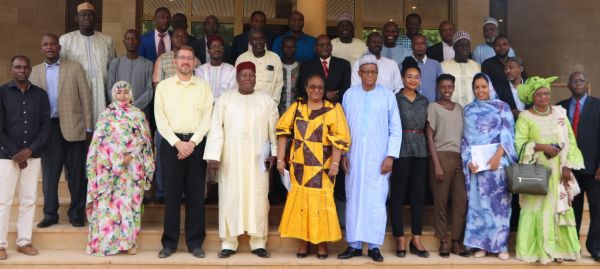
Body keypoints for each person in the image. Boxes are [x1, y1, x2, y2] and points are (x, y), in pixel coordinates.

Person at [203, 61, 277, 259]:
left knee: (259, 198)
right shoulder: (225, 100)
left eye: (251, 75)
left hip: (257, 161)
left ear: (255, 77)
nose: (247, 79)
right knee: (230, 196)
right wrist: (213, 156)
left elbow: (274, 132)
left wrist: (275, 153)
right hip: (231, 159)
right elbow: (216, 128)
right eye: (243, 75)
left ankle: (258, 242)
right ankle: (229, 242)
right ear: (237, 79)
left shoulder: (266, 100)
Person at [277, 73, 350, 259]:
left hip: (323, 167)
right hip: (300, 166)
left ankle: (321, 244)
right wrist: (280, 159)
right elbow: (283, 132)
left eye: (320, 87)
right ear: (306, 88)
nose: (316, 90)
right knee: (302, 204)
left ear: (323, 90)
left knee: (322, 205)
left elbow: (339, 139)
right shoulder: (296, 107)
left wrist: (335, 163)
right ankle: (303, 243)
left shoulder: (333, 109)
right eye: (312, 87)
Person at [338, 54, 402, 262]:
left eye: (373, 72)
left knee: (376, 199)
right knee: (354, 199)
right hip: (354, 158)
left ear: (378, 74)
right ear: (359, 74)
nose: (370, 75)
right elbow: (343, 129)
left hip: (379, 159)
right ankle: (354, 245)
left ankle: (374, 245)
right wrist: (344, 155)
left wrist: (390, 156)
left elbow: (396, 128)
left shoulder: (387, 96)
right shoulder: (349, 94)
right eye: (366, 72)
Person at [515, 76, 584, 263]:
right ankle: (537, 250)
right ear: (532, 97)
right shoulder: (525, 117)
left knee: (557, 208)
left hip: (558, 171)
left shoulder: (560, 113)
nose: (544, 97)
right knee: (536, 210)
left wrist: (568, 166)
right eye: (539, 94)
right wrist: (541, 146)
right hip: (536, 172)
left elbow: (570, 140)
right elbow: (519, 144)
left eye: (546, 93)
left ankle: (558, 250)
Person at [154, 45, 213, 259]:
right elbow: (160, 120)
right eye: (182, 58)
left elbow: (207, 118)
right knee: (171, 195)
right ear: (175, 62)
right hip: (171, 146)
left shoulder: (204, 87)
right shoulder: (163, 87)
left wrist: (193, 142)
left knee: (196, 196)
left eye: (189, 58)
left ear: (195, 61)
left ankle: (195, 242)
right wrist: (178, 143)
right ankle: (169, 243)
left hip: (196, 147)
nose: (186, 62)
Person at [29, 33, 93, 229]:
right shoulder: (35, 72)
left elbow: (86, 98)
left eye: (53, 44)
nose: (49, 47)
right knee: (50, 175)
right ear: (41, 48)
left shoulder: (74, 68)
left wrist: (89, 129)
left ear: (59, 47)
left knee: (76, 175)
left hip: (74, 128)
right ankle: (50, 214)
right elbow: (32, 105)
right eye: (45, 44)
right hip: (49, 131)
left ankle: (76, 214)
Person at [85, 81, 154, 256]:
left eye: (125, 92)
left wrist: (129, 157)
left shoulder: (138, 115)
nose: (122, 95)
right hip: (108, 170)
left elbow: (144, 140)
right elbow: (98, 143)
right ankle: (105, 242)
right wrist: (115, 160)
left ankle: (129, 243)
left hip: (131, 169)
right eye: (119, 92)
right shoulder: (105, 115)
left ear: (130, 94)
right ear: (113, 94)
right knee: (109, 207)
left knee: (128, 205)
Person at [461, 73, 517, 260]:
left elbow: (509, 133)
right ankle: (482, 245)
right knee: (479, 207)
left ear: (490, 87)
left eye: (484, 86)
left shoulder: (502, 107)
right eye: (477, 87)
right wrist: (469, 161)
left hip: (497, 165)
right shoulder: (468, 110)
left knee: (499, 207)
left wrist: (498, 156)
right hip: (478, 167)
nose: (480, 90)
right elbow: (465, 140)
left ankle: (501, 246)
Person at [0, 55, 50, 260]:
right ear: (11, 70)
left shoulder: (40, 95)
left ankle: (24, 241)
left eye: (25, 67)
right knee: (3, 201)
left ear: (30, 70)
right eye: (17, 67)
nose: (21, 70)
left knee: (29, 200)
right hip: (5, 157)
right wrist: (15, 154)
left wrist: (29, 151)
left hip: (33, 156)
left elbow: (46, 127)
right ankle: (1, 245)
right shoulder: (2, 93)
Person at [152, 27, 200, 203]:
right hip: (167, 118)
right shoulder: (162, 60)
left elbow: (198, 86)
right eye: (177, 35)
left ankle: (185, 193)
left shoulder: (197, 61)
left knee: (189, 162)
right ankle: (162, 192)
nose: (180, 37)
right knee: (164, 159)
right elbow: (157, 86)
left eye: (183, 36)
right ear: (171, 39)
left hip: (189, 119)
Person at [425, 74, 470, 258]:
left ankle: (456, 241)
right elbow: (429, 136)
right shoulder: (433, 107)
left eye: (450, 86)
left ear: (454, 88)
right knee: (441, 201)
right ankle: (443, 239)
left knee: (461, 202)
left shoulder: (460, 108)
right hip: (440, 157)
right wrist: (436, 164)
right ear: (438, 88)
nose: (446, 90)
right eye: (443, 87)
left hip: (458, 157)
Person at [558, 72, 600, 262]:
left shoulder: (598, 105)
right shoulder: (560, 108)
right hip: (570, 169)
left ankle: (595, 247)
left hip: (594, 169)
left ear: (586, 84)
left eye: (581, 81)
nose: (578, 83)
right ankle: (571, 247)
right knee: (571, 210)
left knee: (597, 209)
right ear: (568, 85)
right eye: (574, 81)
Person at [390, 57, 429, 258]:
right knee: (397, 195)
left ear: (420, 80)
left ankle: (416, 238)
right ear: (403, 78)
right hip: (401, 149)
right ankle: (399, 238)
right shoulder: (395, 99)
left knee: (418, 196)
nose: (413, 80)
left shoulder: (424, 101)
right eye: (409, 76)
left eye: (417, 77)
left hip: (421, 151)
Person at [59, 2, 116, 122]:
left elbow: (112, 65)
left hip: (101, 88)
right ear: (76, 18)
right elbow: (61, 68)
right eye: (83, 15)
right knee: (79, 122)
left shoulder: (106, 40)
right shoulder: (66, 40)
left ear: (95, 18)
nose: (87, 18)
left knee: (100, 121)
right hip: (77, 87)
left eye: (90, 15)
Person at [108, 29, 154, 112]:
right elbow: (110, 87)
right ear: (124, 42)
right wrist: (121, 105)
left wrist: (133, 106)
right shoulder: (115, 63)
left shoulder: (148, 64)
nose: (131, 41)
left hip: (140, 111)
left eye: (134, 39)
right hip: (119, 112)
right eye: (128, 39)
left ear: (139, 42)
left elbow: (149, 90)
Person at [297, 35, 351, 103]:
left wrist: (338, 95)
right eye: (321, 45)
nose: (325, 47)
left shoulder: (344, 64)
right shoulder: (306, 66)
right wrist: (325, 94)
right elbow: (303, 86)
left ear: (331, 47)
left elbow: (347, 85)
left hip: (337, 105)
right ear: (315, 48)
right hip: (314, 106)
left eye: (327, 44)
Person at [235, 29, 283, 104]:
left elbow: (279, 83)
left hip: (269, 104)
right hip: (246, 103)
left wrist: (273, 103)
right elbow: (237, 82)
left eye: (261, 38)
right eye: (255, 39)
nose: (258, 42)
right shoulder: (242, 58)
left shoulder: (275, 58)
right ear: (250, 42)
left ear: (265, 39)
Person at [441, 31, 480, 107]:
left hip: (473, 110)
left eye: (467, 45)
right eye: (461, 45)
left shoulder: (477, 66)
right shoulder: (443, 66)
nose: (465, 48)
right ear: (454, 47)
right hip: (450, 110)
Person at [194, 35, 237, 101]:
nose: (217, 49)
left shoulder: (231, 70)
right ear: (208, 51)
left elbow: (231, 94)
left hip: (224, 108)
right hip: (205, 108)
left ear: (223, 50)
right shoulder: (200, 71)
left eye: (219, 47)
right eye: (214, 47)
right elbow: (199, 93)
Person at [412, 34, 442, 102]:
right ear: (412, 46)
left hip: (431, 107)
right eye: (417, 43)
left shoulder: (436, 65)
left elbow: (439, 87)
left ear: (426, 46)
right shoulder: (404, 65)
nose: (420, 46)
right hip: (410, 107)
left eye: (422, 43)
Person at [279, 36, 299, 114]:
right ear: (282, 48)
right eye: (286, 47)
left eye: (292, 47)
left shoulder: (301, 67)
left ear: (296, 48)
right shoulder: (277, 66)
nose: (289, 49)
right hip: (278, 112)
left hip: (296, 113)